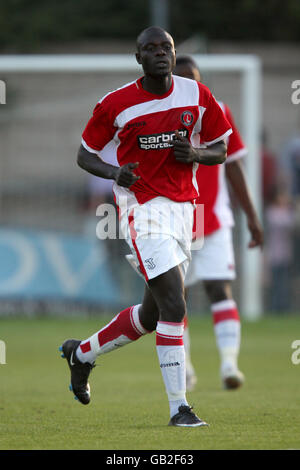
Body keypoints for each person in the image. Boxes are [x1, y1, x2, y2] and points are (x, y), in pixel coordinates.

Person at [59, 27, 232, 427]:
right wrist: (114, 172)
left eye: (166, 47)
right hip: (142, 211)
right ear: (138, 57)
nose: (159, 53)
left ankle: (81, 354)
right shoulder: (116, 103)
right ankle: (180, 408)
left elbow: (221, 147)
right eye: (150, 48)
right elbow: (85, 155)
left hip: (184, 212)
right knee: (176, 304)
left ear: (174, 53)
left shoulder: (196, 95)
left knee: (153, 315)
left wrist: (198, 153)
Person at [173, 55, 263, 391]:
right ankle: (184, 368)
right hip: (175, 219)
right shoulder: (157, 113)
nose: (189, 86)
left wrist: (252, 217)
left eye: (194, 79)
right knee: (174, 298)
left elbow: (235, 165)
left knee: (219, 288)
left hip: (213, 217)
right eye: (181, 79)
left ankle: (229, 365)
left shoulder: (218, 110)